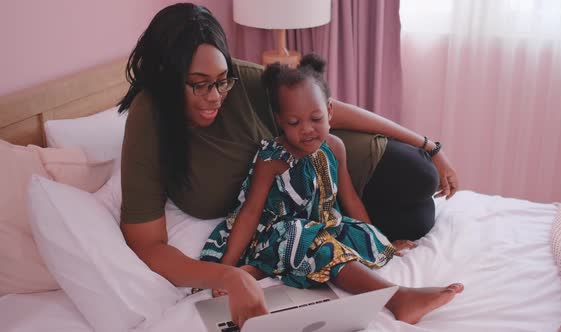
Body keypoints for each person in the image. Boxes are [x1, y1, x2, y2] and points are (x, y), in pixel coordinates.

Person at [117, 3, 460, 328]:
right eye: (199, 84)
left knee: (421, 176)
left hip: (333, 167)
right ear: (167, 76)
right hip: (289, 212)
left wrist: (427, 144)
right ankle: (396, 298)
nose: (215, 95)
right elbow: (148, 244)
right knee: (417, 219)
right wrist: (227, 274)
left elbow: (328, 110)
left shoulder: (247, 82)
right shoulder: (149, 120)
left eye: (222, 80)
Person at [199, 55, 463, 324]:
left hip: (323, 226)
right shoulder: (272, 158)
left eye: (316, 118)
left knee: (353, 234)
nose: (307, 130)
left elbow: (349, 199)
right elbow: (251, 211)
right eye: (294, 123)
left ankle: (258, 270)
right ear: (280, 120)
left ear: (330, 111)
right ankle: (398, 299)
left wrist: (380, 241)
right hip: (277, 232)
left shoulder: (335, 147)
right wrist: (226, 267)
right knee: (305, 237)